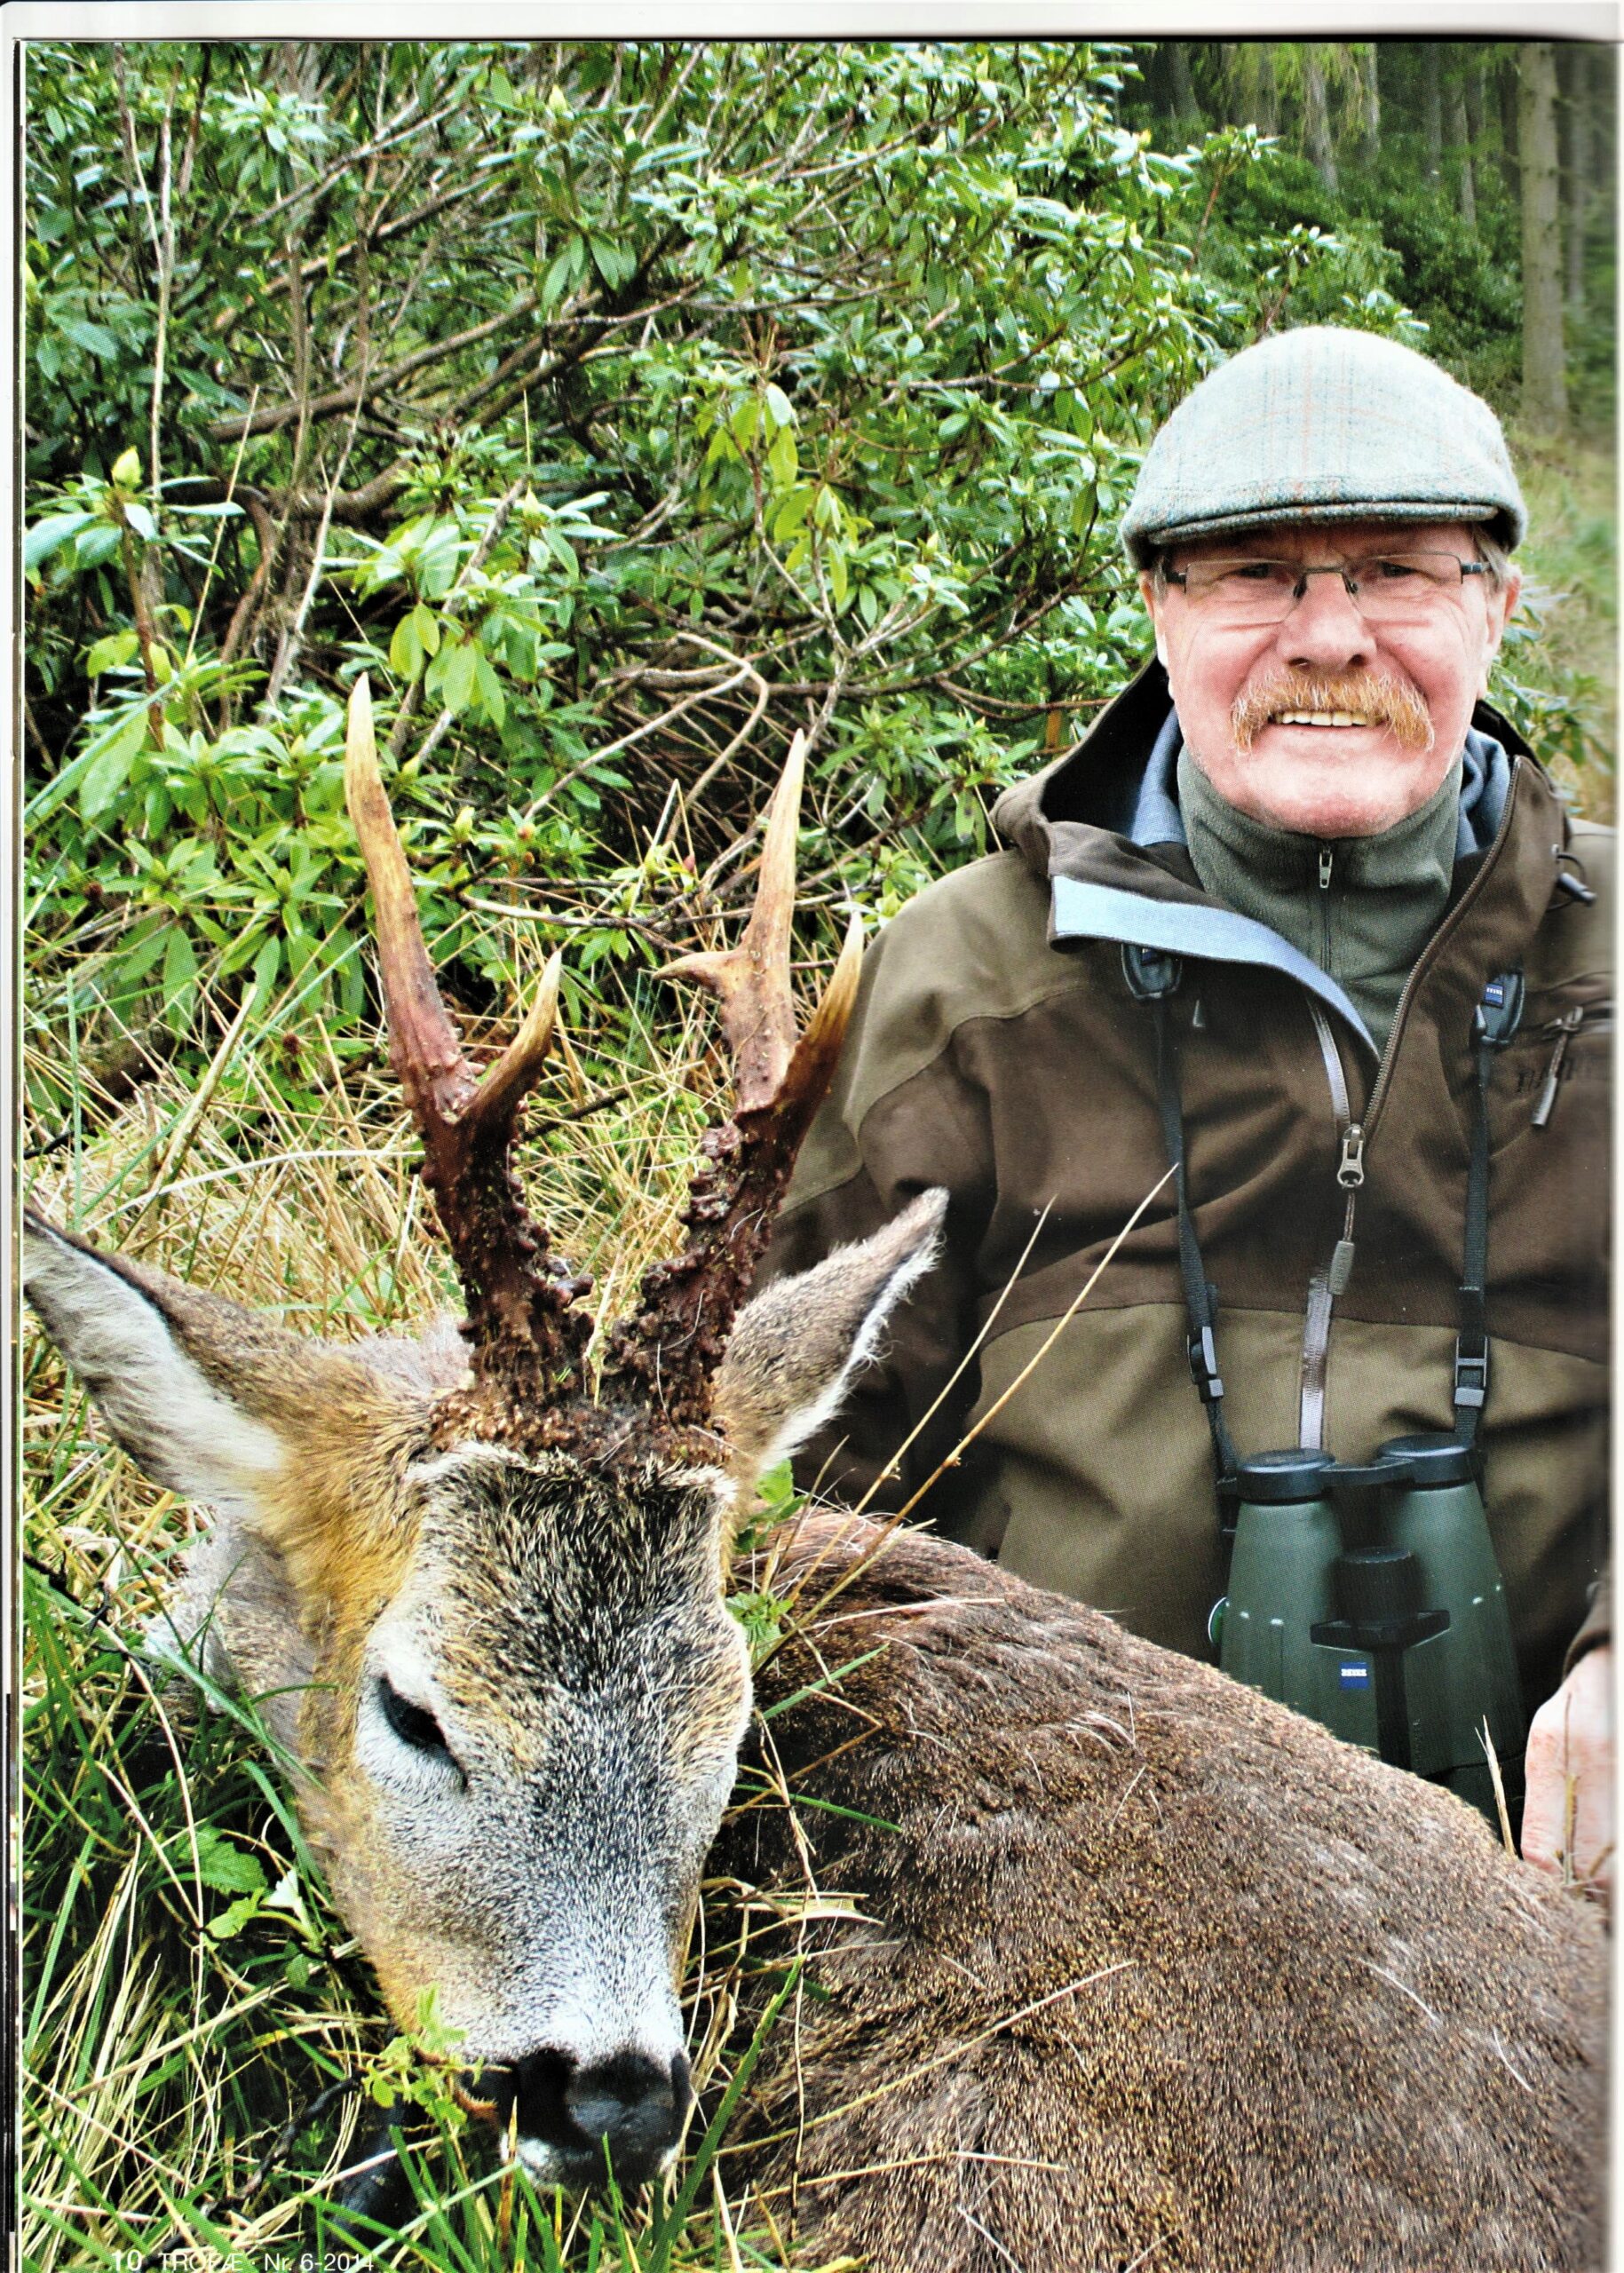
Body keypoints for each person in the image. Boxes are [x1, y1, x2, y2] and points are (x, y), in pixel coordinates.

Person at [764, 327, 1612, 1899]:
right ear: (1158, 612)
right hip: (1077, 1913)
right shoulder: (953, 986)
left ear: (1495, 605)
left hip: (1577, 1897)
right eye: (1252, 576)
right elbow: (798, 1492)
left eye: (1395, 571)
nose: (1327, 636)